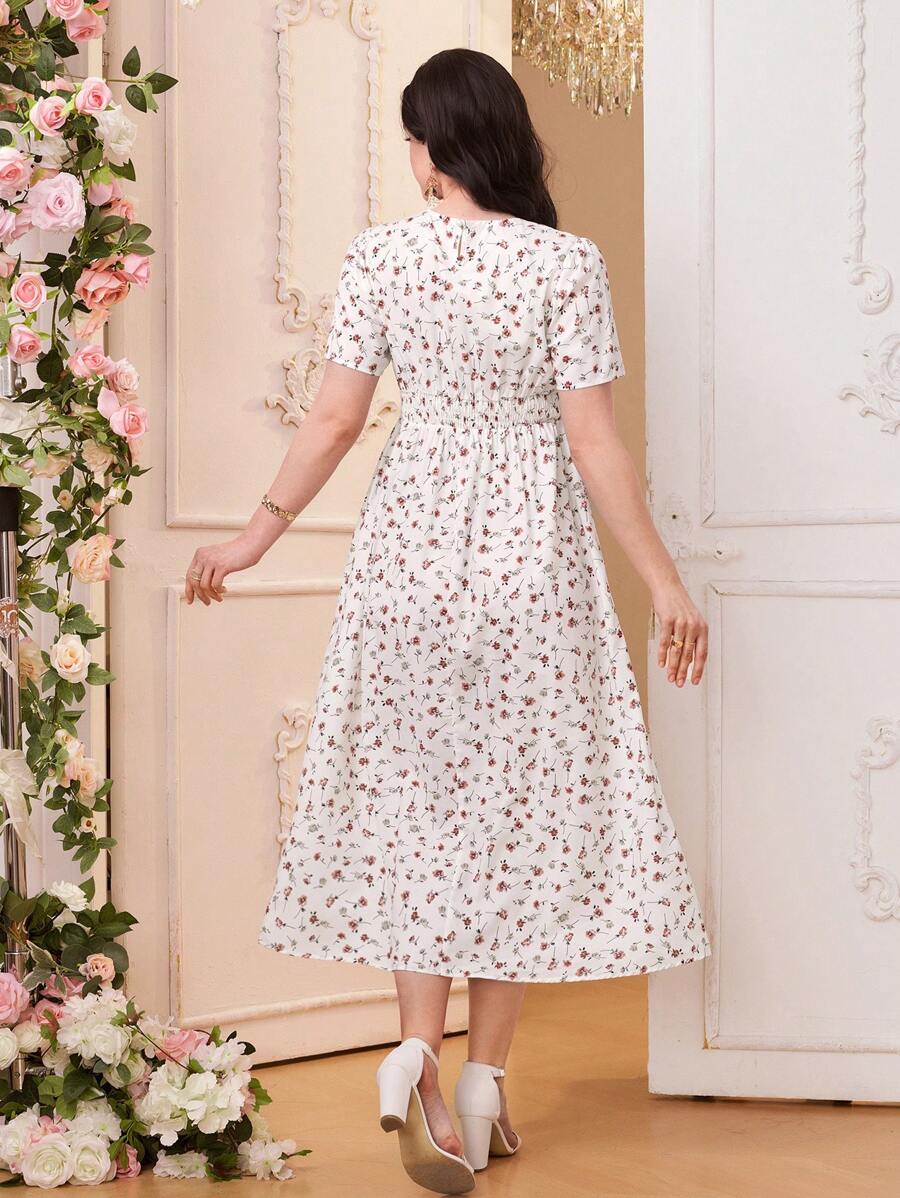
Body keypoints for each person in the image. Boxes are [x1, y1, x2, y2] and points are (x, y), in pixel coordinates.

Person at [185, 46, 711, 1197]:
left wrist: (251, 538)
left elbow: (333, 422)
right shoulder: (565, 264)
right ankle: (483, 1081)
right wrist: (665, 581)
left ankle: (419, 1055)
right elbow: (595, 444)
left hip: (410, 562)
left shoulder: (381, 256)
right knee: (509, 817)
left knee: (420, 812)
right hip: (531, 567)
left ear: (431, 147)